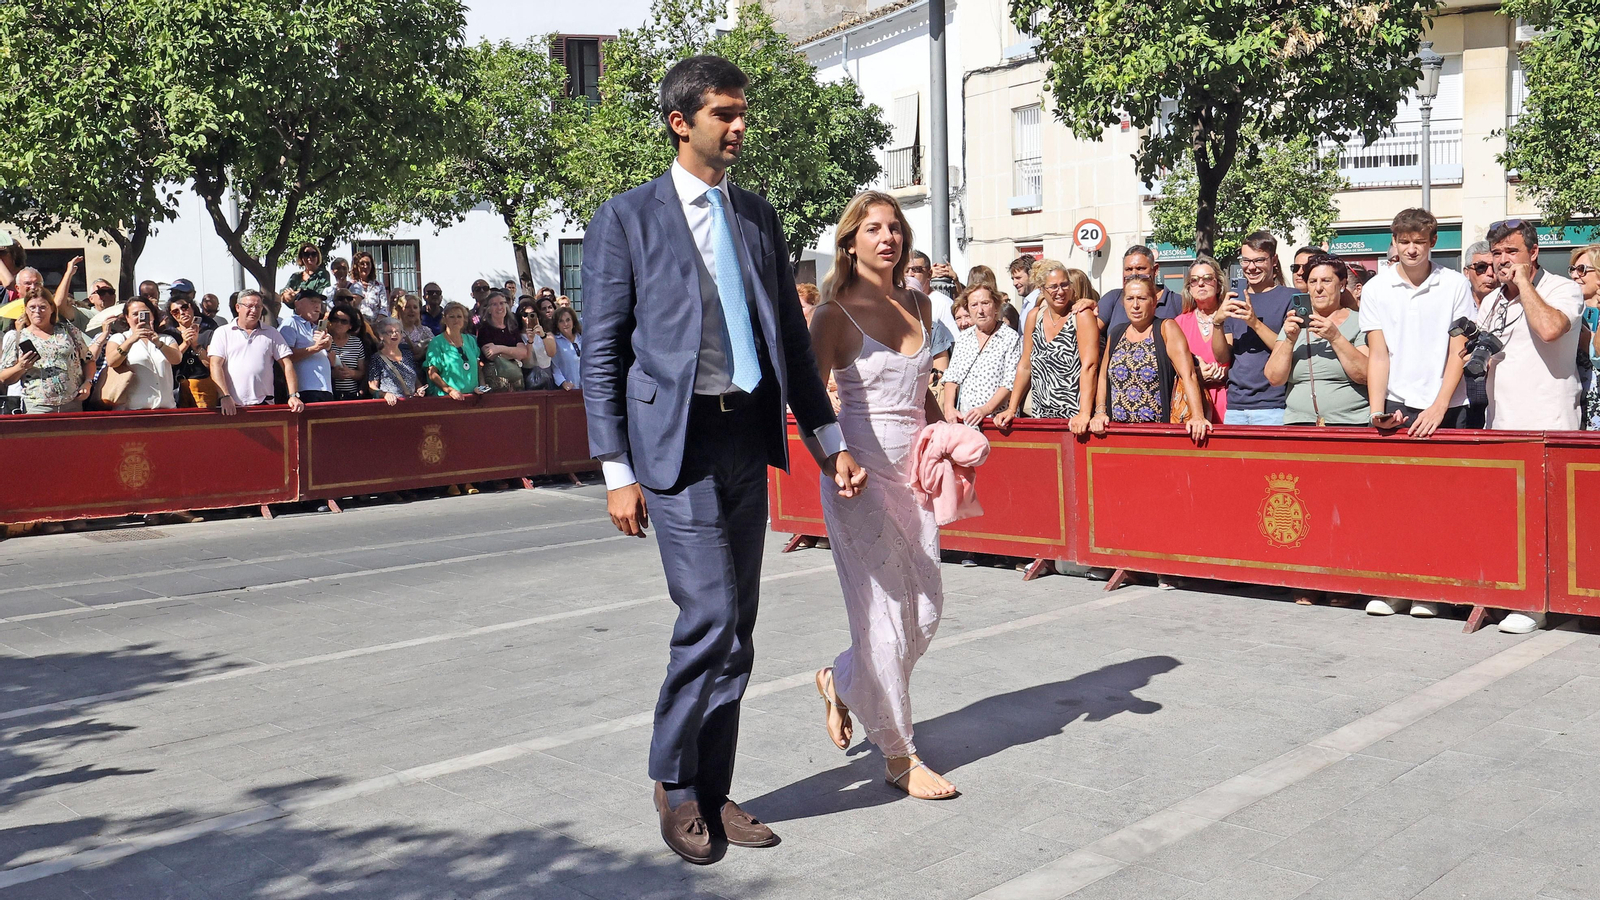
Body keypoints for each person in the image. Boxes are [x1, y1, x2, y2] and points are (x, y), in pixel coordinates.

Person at [581, 54, 863, 865]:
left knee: (737, 626)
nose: (739, 127)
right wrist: (616, 471)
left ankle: (712, 787)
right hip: (677, 446)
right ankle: (673, 782)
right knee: (708, 615)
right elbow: (601, 354)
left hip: (748, 438)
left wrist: (829, 443)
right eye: (724, 114)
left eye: (743, 113)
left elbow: (790, 348)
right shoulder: (625, 219)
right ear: (681, 122)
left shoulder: (757, 218)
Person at [806, 190, 957, 800]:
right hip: (858, 480)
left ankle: (840, 681)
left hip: (915, 478)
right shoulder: (832, 315)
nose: (888, 237)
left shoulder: (921, 302)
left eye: (894, 228)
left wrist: (948, 440)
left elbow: (924, 394)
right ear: (850, 242)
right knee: (884, 620)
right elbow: (809, 402)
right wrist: (833, 458)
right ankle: (899, 755)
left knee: (925, 612)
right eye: (873, 229)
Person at [1363, 209, 1476, 441]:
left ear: (1432, 241)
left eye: (1419, 242)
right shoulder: (1374, 288)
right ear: (1394, 241)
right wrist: (1376, 412)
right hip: (1396, 405)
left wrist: (1440, 406)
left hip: (1450, 404)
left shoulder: (1456, 284)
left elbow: (1458, 352)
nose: (1411, 249)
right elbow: (1378, 355)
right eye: (1404, 242)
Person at [1090, 275, 1211, 443]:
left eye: (1142, 298)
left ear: (1154, 302)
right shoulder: (1116, 333)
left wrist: (1197, 416)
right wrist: (1100, 412)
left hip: (1157, 432)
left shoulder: (1166, 328)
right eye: (1130, 298)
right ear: (1123, 302)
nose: (1135, 305)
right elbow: (1104, 377)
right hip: (1118, 431)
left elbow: (1188, 375)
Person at [1265, 255, 1369, 426]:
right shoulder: (1293, 323)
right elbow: (1274, 378)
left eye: (1326, 281)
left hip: (1349, 423)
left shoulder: (1359, 323)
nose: (1319, 288)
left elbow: (1365, 375)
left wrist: (1335, 338)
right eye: (1313, 282)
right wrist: (1290, 340)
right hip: (1299, 423)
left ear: (1342, 285)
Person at [995, 262, 1100, 432]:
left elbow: (1090, 366)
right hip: (1040, 413)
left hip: (1074, 417)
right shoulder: (1034, 316)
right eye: (1053, 287)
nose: (1060, 291)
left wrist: (1084, 413)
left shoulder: (1081, 315)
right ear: (1041, 289)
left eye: (1065, 285)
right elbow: (1025, 365)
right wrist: (1012, 408)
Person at [1210, 230, 1295, 424]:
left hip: (1274, 405)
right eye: (1246, 261)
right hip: (1236, 406)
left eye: (1259, 260)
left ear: (1274, 260)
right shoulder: (1234, 298)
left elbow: (1288, 349)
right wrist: (1217, 322)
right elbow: (1222, 357)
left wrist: (1254, 323)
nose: (1251, 267)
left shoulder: (1289, 297)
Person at [208, 290, 305, 414]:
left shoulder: (271, 333)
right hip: (232, 406)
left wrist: (293, 395)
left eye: (258, 307)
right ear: (238, 307)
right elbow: (215, 365)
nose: (254, 310)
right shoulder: (223, 332)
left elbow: (287, 364)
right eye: (249, 306)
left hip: (264, 404)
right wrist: (224, 396)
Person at [942, 284, 1021, 425]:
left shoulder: (1010, 337)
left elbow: (1011, 382)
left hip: (996, 422)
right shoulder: (964, 338)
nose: (980, 311)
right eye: (974, 305)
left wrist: (986, 409)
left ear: (996, 306)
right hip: (966, 421)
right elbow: (952, 376)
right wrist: (949, 408)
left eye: (985, 303)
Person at [0, 293, 94, 413]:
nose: (37, 311)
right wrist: (21, 366)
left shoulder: (69, 332)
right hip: (37, 406)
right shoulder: (17, 337)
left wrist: (88, 382)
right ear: (26, 310)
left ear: (52, 309)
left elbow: (89, 360)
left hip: (72, 403)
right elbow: (4, 378)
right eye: (32, 307)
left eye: (43, 307)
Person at [1174, 256, 1230, 421]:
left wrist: (1227, 372)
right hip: (1193, 404)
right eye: (1194, 280)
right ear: (1189, 288)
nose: (1200, 284)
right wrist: (1196, 373)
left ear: (1218, 285)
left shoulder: (1231, 317)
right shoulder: (1179, 323)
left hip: (1229, 401)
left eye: (1207, 278)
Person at [104, 296, 182, 410]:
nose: (140, 318)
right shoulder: (120, 338)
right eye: (135, 314)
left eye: (145, 313)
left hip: (166, 408)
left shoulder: (166, 339)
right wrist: (131, 340)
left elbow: (177, 359)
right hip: (132, 410)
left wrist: (159, 343)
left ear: (152, 315)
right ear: (127, 317)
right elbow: (112, 361)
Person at [1097, 245, 1184, 334]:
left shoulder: (1177, 302)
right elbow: (1090, 332)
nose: (1134, 274)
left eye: (1140, 268)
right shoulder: (1113, 298)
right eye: (1128, 269)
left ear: (1155, 270)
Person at [279, 290, 336, 404]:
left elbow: (333, 363)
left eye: (319, 303)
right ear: (298, 303)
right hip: (305, 389)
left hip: (325, 389)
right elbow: (284, 357)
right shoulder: (291, 323)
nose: (317, 306)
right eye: (312, 301)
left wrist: (328, 347)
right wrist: (316, 348)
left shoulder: (317, 328)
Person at [163, 294, 218, 407]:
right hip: (176, 387)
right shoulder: (169, 335)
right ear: (172, 315)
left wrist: (195, 345)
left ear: (192, 307)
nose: (182, 313)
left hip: (203, 385)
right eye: (175, 311)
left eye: (184, 308)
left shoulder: (208, 333)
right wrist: (185, 343)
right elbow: (167, 362)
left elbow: (211, 364)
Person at [424, 301, 480, 399]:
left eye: (459, 316)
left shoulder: (470, 340)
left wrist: (481, 386)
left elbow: (478, 366)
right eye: (452, 317)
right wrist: (450, 390)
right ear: (444, 319)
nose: (456, 320)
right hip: (448, 398)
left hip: (473, 397)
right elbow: (432, 373)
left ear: (464, 320)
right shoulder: (437, 342)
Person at [1571, 244, 1600, 430]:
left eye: (1581, 269)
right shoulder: (1569, 311)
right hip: (1576, 409)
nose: (1575, 275)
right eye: (1572, 269)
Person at [475, 289, 525, 392]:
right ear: (489, 309)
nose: (499, 307)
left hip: (515, 376)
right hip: (496, 378)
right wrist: (513, 353)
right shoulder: (484, 329)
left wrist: (499, 348)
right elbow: (491, 354)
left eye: (502, 303)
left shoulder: (512, 327)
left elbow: (523, 353)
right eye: (494, 304)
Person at [368, 317, 425, 405]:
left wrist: (420, 389)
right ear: (381, 336)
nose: (394, 334)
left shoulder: (407, 354)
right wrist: (385, 394)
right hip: (390, 405)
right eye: (390, 332)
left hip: (410, 404)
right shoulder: (377, 358)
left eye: (398, 331)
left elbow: (415, 380)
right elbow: (372, 387)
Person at [325, 302, 371, 401]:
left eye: (344, 321)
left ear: (350, 325)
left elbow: (362, 372)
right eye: (335, 319)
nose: (338, 324)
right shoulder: (324, 341)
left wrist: (350, 373)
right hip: (329, 395)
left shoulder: (357, 343)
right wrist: (332, 374)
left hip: (351, 396)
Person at [515, 297, 555, 389]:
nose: (528, 317)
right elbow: (526, 361)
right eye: (525, 315)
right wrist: (530, 341)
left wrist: (543, 335)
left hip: (547, 374)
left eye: (532, 314)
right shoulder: (518, 336)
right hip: (528, 375)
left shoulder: (546, 333)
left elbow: (552, 353)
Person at [389, 291, 434, 357]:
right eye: (407, 307)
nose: (412, 310)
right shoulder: (391, 331)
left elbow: (437, 348)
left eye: (415, 307)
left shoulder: (425, 331)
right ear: (399, 309)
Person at [350, 251, 388, 324]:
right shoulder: (351, 285)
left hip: (377, 324)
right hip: (358, 324)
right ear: (356, 266)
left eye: (368, 264)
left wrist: (376, 323)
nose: (365, 266)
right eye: (362, 264)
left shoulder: (379, 285)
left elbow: (384, 308)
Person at [550, 306, 583, 390]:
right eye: (561, 321)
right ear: (557, 325)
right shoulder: (555, 341)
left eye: (568, 320)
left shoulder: (582, 337)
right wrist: (563, 383)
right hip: (568, 389)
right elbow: (554, 366)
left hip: (586, 387)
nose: (565, 324)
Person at [1463, 240, 1497, 307]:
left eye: (1495, 267)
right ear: (1467, 272)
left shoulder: (1512, 304)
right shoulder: (1458, 304)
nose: (1490, 273)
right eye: (1481, 267)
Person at [1009, 254, 1040, 321]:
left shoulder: (1040, 302)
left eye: (1018, 278)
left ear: (1032, 275)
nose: (1014, 283)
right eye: (1013, 279)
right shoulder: (1027, 302)